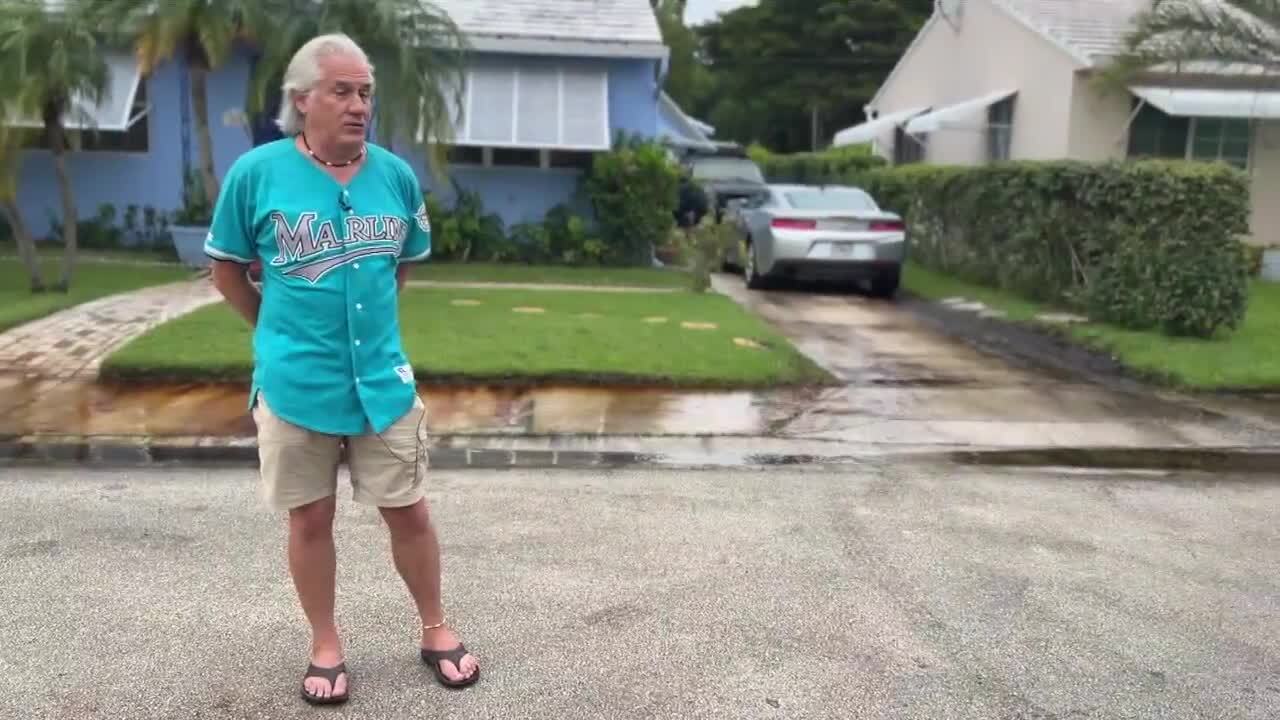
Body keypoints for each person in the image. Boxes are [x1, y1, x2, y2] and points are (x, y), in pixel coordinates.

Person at [204, 33, 480, 705]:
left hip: (383, 384)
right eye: (342, 91)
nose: (359, 105)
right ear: (302, 100)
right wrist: (275, 332)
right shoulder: (256, 174)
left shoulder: (395, 176)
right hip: (295, 385)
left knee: (410, 513)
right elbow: (226, 269)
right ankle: (325, 644)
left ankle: (435, 629)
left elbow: (401, 265)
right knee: (309, 519)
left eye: (365, 93)